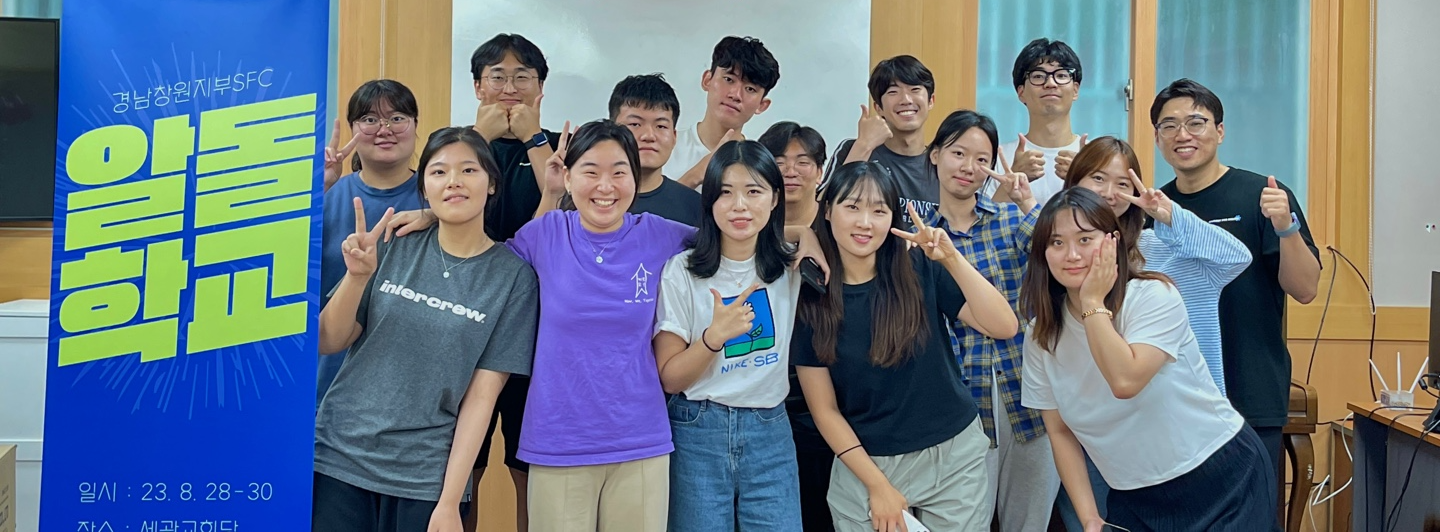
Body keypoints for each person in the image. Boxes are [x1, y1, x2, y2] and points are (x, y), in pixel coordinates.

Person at [312, 127, 540, 532]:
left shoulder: (513, 278)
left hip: (424, 477)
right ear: (425, 188)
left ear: (491, 183)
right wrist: (357, 278)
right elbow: (329, 340)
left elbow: (481, 398)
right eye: (438, 172)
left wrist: (449, 502)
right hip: (339, 459)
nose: (453, 181)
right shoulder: (393, 242)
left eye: (468, 170)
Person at [1019, 187, 1277, 532]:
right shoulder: (1041, 334)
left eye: (1085, 239)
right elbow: (1059, 430)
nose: (1072, 255)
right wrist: (1089, 516)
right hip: (1133, 494)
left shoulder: (1153, 296)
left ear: (1112, 242)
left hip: (1220, 474)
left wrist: (1092, 302)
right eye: (1056, 242)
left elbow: (1125, 381)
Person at [793, 161, 1019, 532]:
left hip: (952, 454)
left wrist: (952, 259)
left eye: (879, 211)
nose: (865, 223)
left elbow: (1003, 326)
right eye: (852, 207)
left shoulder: (917, 267)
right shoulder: (810, 297)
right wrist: (877, 486)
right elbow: (825, 410)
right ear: (828, 210)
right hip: (865, 461)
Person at [1051, 136, 1252, 531]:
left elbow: (1236, 258)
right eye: (1097, 179)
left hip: (1183, 428)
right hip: (1103, 430)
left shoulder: (1159, 247)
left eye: (1122, 183)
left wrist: (1168, 213)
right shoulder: (1066, 257)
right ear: (1074, 182)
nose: (1109, 193)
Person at [1152, 79, 1320, 498]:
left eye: (1196, 122)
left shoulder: (1263, 195)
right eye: (1169, 125)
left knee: (1252, 513)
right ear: (1157, 138)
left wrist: (1286, 228)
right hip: (1173, 397)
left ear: (1220, 130)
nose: (1183, 134)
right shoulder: (1154, 209)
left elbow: (1305, 289)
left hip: (1250, 388)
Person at [653, 140, 803, 531]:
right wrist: (712, 338)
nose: (739, 206)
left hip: (770, 430)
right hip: (698, 428)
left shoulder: (792, 267)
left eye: (754, 191)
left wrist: (811, 236)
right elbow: (670, 378)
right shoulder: (682, 271)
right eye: (725, 193)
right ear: (709, 202)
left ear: (774, 199)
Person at [922, 110, 1058, 532]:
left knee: (1029, 524)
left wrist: (1027, 202)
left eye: (981, 159)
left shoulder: (1010, 220)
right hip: (959, 404)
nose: (968, 167)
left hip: (1029, 392)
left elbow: (1061, 253)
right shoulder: (921, 237)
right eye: (958, 153)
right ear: (935, 155)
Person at [464, 34, 559, 529]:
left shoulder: (560, 146)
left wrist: (535, 139)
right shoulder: (455, 147)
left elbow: (565, 207)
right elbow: (448, 209)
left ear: (540, 87)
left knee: (529, 468)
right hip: (466, 321)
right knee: (466, 467)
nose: (509, 87)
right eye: (497, 76)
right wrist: (475, 142)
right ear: (477, 86)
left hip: (538, 326)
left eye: (522, 76)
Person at [316, 79, 423, 405]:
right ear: (353, 129)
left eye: (397, 118)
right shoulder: (326, 195)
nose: (384, 130)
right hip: (329, 376)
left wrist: (434, 215)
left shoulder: (441, 198)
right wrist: (317, 189)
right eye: (370, 119)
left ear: (416, 125)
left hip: (410, 383)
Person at [758, 120, 833, 531]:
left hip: (829, 390)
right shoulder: (748, 225)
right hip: (766, 393)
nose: (790, 170)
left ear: (819, 171)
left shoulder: (839, 224)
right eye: (779, 160)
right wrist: (798, 231)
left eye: (803, 161)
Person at [831, 55, 938, 225]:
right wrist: (864, 145)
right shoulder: (853, 149)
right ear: (878, 107)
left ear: (931, 100)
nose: (906, 99)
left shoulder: (941, 162)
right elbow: (825, 209)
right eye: (893, 92)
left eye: (915, 89)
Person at [983, 38, 1088, 207]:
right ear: (1021, 92)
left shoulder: (1096, 158)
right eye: (1038, 76)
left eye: (1061, 75)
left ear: (1075, 90)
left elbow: (1112, 218)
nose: (1051, 83)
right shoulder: (999, 159)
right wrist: (1013, 179)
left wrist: (1084, 180)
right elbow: (983, 221)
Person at [666, 36, 780, 189]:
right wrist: (696, 175)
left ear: (762, 105)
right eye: (728, 79)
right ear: (707, 80)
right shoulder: (665, 147)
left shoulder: (760, 165)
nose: (736, 95)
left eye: (750, 89)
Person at [609, 73, 702, 226]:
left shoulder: (697, 208)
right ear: (611, 131)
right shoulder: (590, 199)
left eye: (661, 126)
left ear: (674, 137)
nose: (649, 136)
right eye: (635, 124)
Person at [759, 121, 826, 228]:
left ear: (819, 173)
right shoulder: (751, 224)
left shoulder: (835, 223)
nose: (790, 173)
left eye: (802, 162)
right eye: (779, 163)